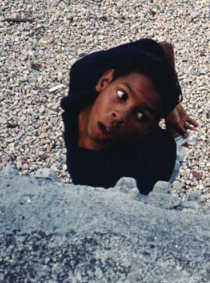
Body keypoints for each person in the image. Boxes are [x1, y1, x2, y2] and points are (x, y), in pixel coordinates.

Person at [60, 39, 198, 193]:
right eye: (122, 95)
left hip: (163, 159)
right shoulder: (87, 71)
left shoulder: (121, 178)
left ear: (148, 129)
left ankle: (178, 143)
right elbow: (165, 49)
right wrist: (171, 109)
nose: (121, 116)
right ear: (104, 81)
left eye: (141, 116)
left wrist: (167, 108)